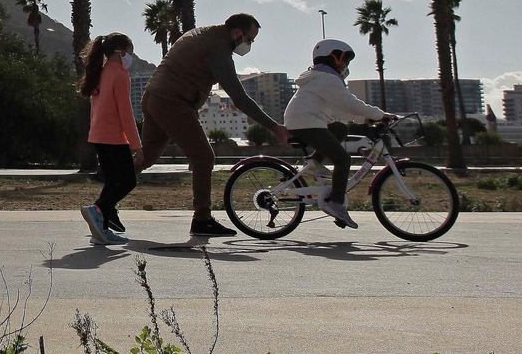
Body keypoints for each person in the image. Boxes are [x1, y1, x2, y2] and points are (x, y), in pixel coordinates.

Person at [137, 13, 290, 236]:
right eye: (250, 39)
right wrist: (275, 127)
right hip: (172, 103)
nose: (249, 45)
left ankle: (103, 206)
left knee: (146, 158)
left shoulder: (204, 33)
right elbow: (239, 98)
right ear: (237, 33)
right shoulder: (218, 50)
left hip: (154, 97)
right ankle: (202, 220)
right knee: (203, 157)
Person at [283, 39, 395, 229]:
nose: (345, 65)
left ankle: (315, 163)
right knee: (342, 159)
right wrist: (379, 114)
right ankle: (335, 204)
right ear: (332, 57)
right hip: (307, 122)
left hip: (306, 120)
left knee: (341, 128)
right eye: (344, 59)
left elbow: (338, 109)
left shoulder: (320, 78)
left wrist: (364, 119)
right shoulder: (327, 79)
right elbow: (349, 102)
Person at [79, 33, 140, 245]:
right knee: (128, 181)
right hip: (114, 137)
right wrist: (137, 145)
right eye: (129, 53)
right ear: (120, 52)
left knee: (113, 181)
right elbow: (126, 113)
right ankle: (96, 209)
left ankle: (101, 231)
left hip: (98, 135)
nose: (130, 58)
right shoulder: (120, 75)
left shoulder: (100, 73)